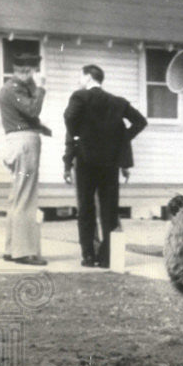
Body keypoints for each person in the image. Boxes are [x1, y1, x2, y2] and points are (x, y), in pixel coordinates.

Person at [62, 64, 147, 267]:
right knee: (110, 209)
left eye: (81, 77)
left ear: (88, 77)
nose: (79, 81)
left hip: (85, 160)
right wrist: (120, 139)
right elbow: (140, 122)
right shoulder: (117, 102)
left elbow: (68, 118)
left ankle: (88, 256)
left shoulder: (80, 97)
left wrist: (71, 153)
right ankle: (107, 257)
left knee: (86, 208)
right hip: (110, 163)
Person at [0, 52, 51, 265]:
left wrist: (41, 128)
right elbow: (31, 109)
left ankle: (12, 249)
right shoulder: (13, 89)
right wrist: (41, 88)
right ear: (27, 71)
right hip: (24, 144)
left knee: (17, 197)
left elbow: (23, 115)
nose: (35, 76)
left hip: (17, 141)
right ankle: (24, 252)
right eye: (34, 71)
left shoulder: (12, 88)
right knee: (26, 198)